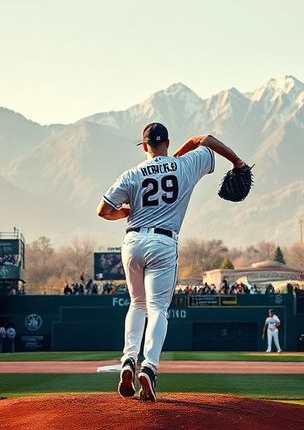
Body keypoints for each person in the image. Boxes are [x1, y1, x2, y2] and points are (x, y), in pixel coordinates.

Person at [97, 122, 246, 402]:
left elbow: (103, 210)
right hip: (163, 243)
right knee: (157, 309)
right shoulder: (186, 165)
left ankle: (128, 360)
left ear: (144, 147)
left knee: (137, 304)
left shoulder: (132, 173)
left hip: (132, 241)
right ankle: (149, 369)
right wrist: (236, 160)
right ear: (167, 141)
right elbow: (204, 139)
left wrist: (126, 211)